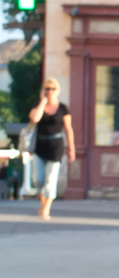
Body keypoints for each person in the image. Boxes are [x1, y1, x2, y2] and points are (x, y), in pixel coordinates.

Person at [28, 78, 74, 220]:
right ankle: (43, 205)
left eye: (53, 89)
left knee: (51, 180)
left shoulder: (63, 108)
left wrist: (71, 148)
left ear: (57, 91)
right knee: (39, 180)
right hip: (40, 146)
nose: (50, 91)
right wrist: (43, 101)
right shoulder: (38, 105)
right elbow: (35, 119)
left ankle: (46, 210)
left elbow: (68, 129)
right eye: (47, 89)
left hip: (56, 147)